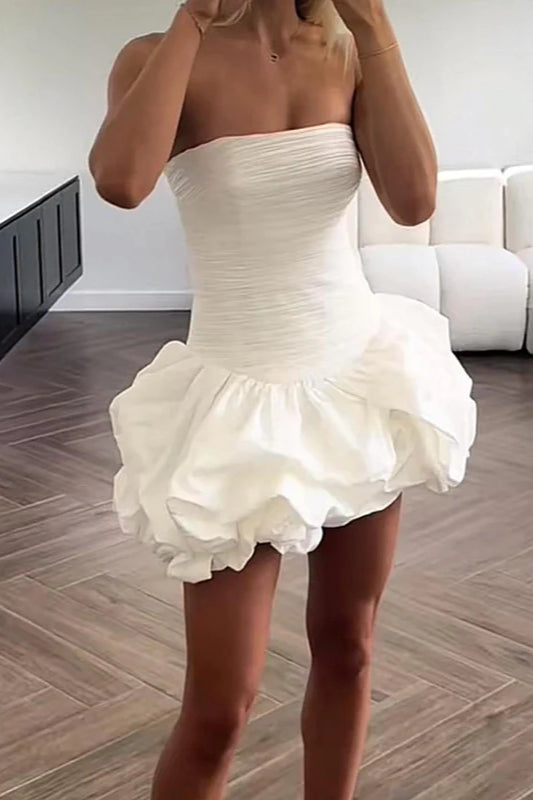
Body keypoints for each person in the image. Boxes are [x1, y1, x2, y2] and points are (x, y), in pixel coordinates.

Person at [88, 1, 477, 798]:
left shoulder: (348, 51)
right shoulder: (156, 53)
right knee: (219, 710)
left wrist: (374, 29)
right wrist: (194, 18)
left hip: (356, 386)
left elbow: (413, 201)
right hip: (235, 409)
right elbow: (121, 181)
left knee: (348, 648)